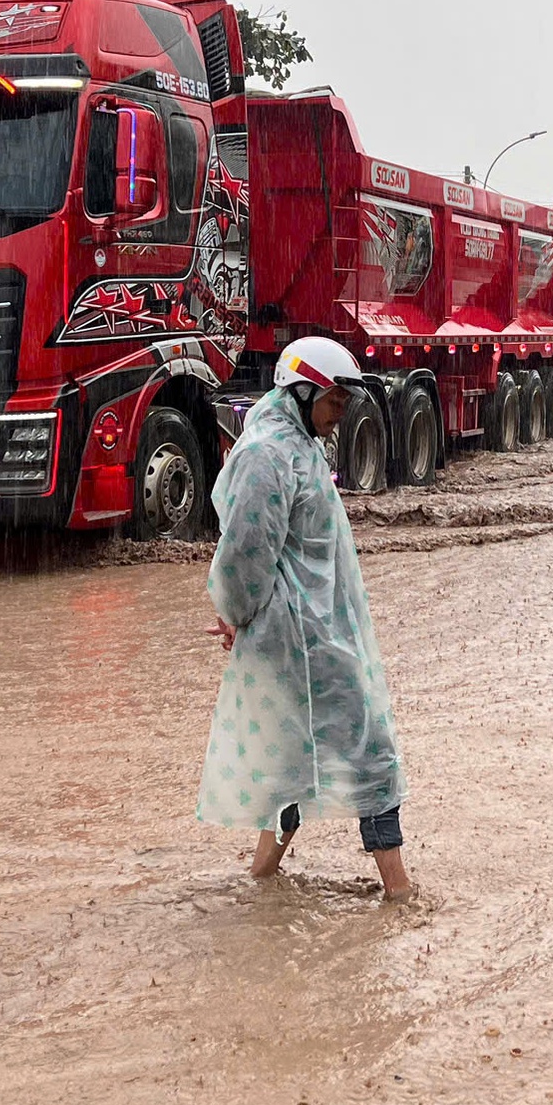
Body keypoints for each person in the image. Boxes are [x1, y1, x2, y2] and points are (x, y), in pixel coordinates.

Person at [199, 337, 410, 898]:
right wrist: (236, 615)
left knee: (291, 759)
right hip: (300, 641)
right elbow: (245, 551)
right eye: (336, 399)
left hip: (317, 633)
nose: (341, 412)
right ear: (302, 391)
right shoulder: (267, 455)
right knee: (372, 754)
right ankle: (400, 895)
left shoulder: (299, 446)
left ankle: (261, 882)